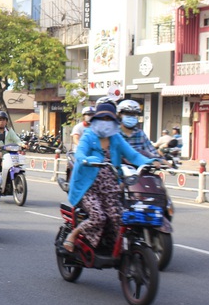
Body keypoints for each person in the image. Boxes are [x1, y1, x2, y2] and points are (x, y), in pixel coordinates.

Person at [63, 101, 159, 253]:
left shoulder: (116, 138)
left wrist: (151, 162)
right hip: (88, 188)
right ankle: (73, 235)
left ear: (115, 121)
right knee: (98, 217)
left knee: (118, 217)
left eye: (109, 119)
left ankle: (115, 249)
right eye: (103, 119)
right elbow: (80, 154)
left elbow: (133, 155)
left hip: (111, 186)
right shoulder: (88, 135)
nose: (106, 123)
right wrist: (89, 160)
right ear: (95, 120)